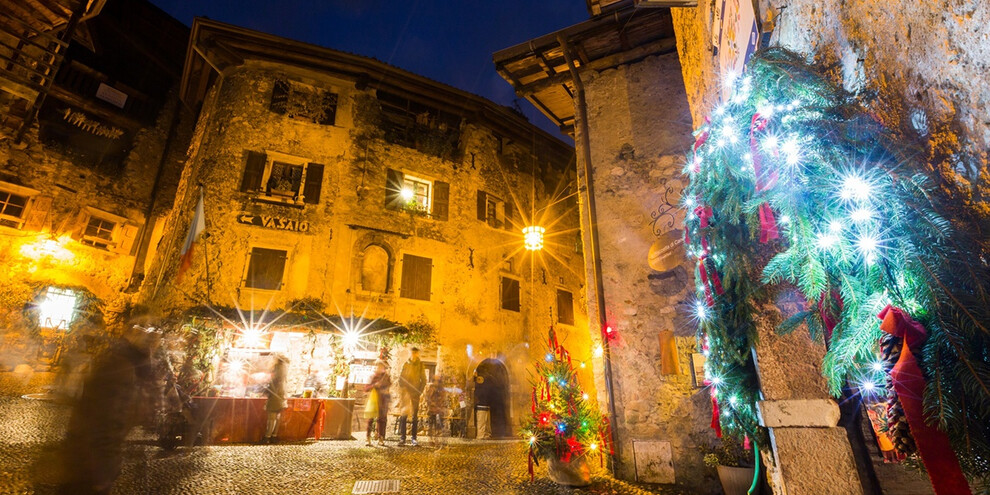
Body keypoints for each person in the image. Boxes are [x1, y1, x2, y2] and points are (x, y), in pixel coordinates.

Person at [59, 308, 159, 495]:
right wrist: (102, 471)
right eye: (150, 333)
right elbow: (105, 422)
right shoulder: (121, 367)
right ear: (137, 335)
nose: (156, 340)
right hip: (88, 466)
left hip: (88, 462)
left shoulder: (127, 363)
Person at [397, 347, 426, 446]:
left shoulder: (421, 365)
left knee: (414, 417)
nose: (413, 354)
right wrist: (403, 390)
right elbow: (401, 379)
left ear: (417, 354)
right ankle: (402, 438)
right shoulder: (406, 364)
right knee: (403, 416)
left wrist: (419, 392)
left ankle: (414, 438)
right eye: (412, 353)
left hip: (415, 394)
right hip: (406, 394)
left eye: (415, 353)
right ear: (410, 353)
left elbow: (424, 380)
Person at [263, 354, 289, 444]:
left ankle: (267, 437)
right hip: (281, 395)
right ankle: (274, 436)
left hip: (275, 396)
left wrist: (266, 390)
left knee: (271, 418)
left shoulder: (277, 369)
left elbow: (272, 383)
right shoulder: (284, 369)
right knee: (277, 418)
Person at [365, 360, 391, 446]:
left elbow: (388, 386)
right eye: (377, 366)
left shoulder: (386, 376)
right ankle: (368, 437)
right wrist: (374, 385)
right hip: (374, 399)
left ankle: (381, 438)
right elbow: (366, 388)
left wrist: (385, 390)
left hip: (383, 400)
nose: (379, 368)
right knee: (370, 419)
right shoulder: (372, 376)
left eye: (380, 366)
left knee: (382, 419)